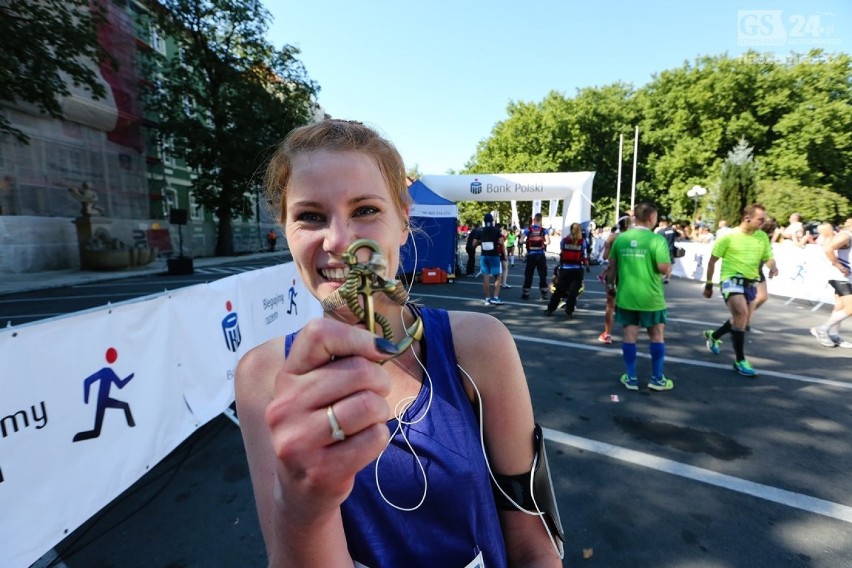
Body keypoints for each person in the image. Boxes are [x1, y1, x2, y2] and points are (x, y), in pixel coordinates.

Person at [234, 120, 563, 567]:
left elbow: (534, 545)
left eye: (365, 210)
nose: (339, 241)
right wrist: (302, 503)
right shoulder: (264, 377)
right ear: (285, 230)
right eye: (310, 216)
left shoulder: (479, 346)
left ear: (404, 222)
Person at [702, 204, 779, 377]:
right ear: (747, 218)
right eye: (760, 219)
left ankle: (714, 335)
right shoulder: (728, 237)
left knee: (741, 320)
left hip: (750, 282)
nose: (763, 222)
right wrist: (708, 284)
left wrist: (773, 267)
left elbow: (768, 258)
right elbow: (712, 261)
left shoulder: (762, 237)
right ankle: (740, 360)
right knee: (742, 315)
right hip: (730, 280)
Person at [608, 203, 673, 391]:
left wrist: (611, 286)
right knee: (656, 336)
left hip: (627, 296)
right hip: (651, 297)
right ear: (651, 218)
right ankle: (657, 379)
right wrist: (668, 267)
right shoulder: (656, 240)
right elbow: (663, 268)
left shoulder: (621, 239)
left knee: (629, 335)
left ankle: (631, 378)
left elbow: (612, 267)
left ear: (635, 217)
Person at [810, 218, 852, 348]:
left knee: (839, 306)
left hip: (847, 276)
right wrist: (838, 265)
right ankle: (822, 329)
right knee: (850, 307)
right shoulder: (846, 235)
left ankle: (833, 334)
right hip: (840, 276)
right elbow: (829, 248)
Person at [597, 215, 631, 344]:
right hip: (629, 273)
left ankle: (607, 334)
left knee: (610, 305)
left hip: (614, 273)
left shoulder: (612, 237)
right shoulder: (633, 239)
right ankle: (630, 333)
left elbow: (605, 256)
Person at [545, 222, 587, 318]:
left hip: (565, 268)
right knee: (573, 292)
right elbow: (584, 255)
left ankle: (550, 309)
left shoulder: (565, 240)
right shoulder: (582, 241)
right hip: (577, 269)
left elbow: (562, 250)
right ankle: (569, 311)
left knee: (559, 290)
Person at [473, 213, 505, 305]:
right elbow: (501, 242)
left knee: (486, 277)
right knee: (498, 276)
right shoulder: (496, 230)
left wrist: (481, 242)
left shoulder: (480, 231)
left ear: (484, 221)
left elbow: (473, 244)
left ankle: (487, 298)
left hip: (484, 256)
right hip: (494, 256)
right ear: (492, 221)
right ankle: (495, 297)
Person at [521, 213, 550, 300]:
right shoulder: (544, 230)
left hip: (531, 255)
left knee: (529, 274)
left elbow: (520, 240)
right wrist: (543, 242)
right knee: (542, 275)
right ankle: (544, 293)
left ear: (534, 220)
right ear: (541, 220)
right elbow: (548, 242)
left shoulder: (528, 230)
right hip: (540, 255)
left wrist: (527, 242)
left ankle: (526, 293)